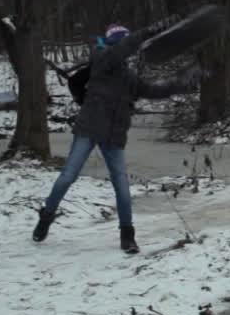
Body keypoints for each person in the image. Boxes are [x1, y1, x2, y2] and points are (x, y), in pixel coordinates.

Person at [32, 22, 199, 251]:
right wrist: (151, 30)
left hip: (114, 136)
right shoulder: (102, 60)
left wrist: (182, 84)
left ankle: (127, 236)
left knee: (122, 186)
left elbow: (154, 90)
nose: (124, 49)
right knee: (68, 176)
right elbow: (125, 47)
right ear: (112, 45)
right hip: (89, 128)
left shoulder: (129, 78)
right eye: (120, 44)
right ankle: (46, 216)